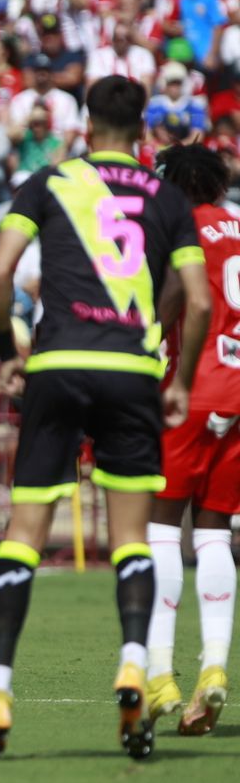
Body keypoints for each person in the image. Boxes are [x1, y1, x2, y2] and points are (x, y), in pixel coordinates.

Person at [0, 76, 212, 759]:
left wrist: (8, 351)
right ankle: (134, 665)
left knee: (24, 534)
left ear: (87, 122)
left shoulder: (49, 182)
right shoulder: (167, 198)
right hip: (131, 370)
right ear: (143, 128)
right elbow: (197, 301)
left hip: (57, 363)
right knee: (131, 538)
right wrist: (179, 381)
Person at [143, 144, 237, 736]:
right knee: (213, 532)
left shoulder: (187, 227)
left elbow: (181, 295)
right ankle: (215, 669)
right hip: (238, 392)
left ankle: (160, 675)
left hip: (194, 389)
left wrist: (146, 337)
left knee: (158, 526)